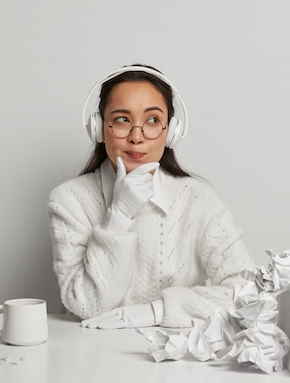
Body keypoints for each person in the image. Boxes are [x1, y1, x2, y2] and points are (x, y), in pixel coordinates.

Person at [48, 64, 255, 329]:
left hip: (176, 359)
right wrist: (119, 215)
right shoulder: (69, 201)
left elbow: (248, 293)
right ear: (99, 128)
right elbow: (86, 306)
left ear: (171, 132)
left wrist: (157, 312)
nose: (137, 137)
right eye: (122, 119)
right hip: (92, 352)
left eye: (153, 121)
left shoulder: (198, 200)